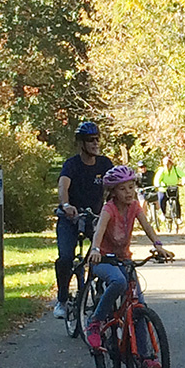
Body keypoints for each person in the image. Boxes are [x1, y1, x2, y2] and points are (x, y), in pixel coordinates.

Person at [85, 166, 173, 368]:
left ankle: (144, 358)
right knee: (119, 282)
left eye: (131, 187)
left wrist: (158, 245)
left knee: (139, 307)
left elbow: (147, 226)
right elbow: (99, 231)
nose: (129, 192)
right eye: (123, 189)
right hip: (103, 260)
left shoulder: (134, 206)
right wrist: (95, 249)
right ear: (113, 192)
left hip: (124, 260)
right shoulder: (109, 209)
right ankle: (95, 321)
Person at [53, 121, 113, 320]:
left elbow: (116, 185)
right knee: (65, 258)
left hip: (94, 219)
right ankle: (62, 300)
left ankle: (99, 288)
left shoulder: (105, 164)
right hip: (71, 218)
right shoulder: (72, 165)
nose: (95, 143)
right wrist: (66, 205)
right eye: (90, 140)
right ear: (82, 143)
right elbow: (63, 186)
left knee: (106, 254)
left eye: (97, 139)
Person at [154, 155, 185, 219]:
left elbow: (183, 175)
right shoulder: (162, 170)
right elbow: (157, 178)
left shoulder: (176, 169)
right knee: (162, 199)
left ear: (171, 163)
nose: (167, 166)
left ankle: (178, 217)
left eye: (168, 164)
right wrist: (157, 184)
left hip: (173, 188)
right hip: (164, 189)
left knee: (176, 201)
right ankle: (163, 213)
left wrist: (184, 181)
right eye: (165, 164)